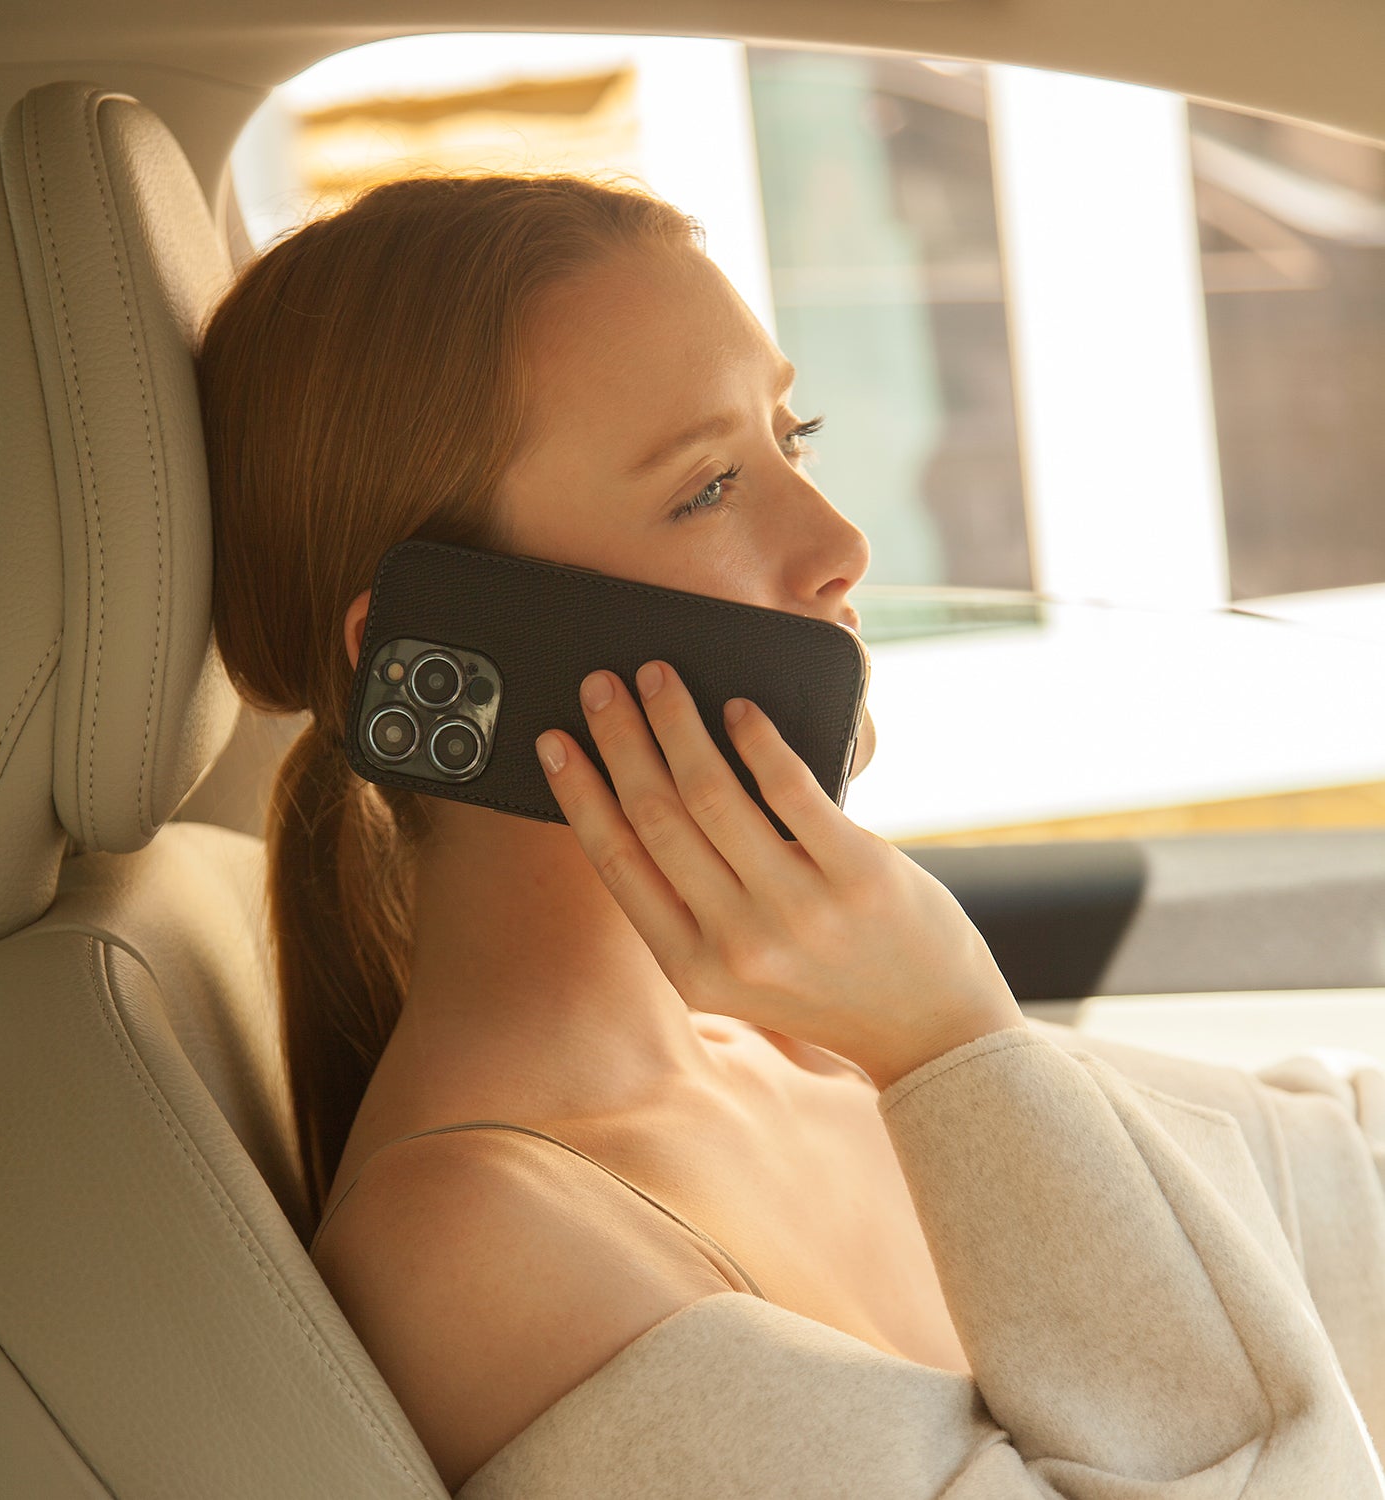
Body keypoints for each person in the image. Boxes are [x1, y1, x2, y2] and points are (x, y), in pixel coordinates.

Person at [196, 172, 1385, 1498]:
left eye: (792, 433)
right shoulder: (481, 1252)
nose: (840, 544)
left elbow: (1329, 1192)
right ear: (440, 660)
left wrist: (940, 1046)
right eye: (707, 487)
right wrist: (951, 1039)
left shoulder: (800, 1045)